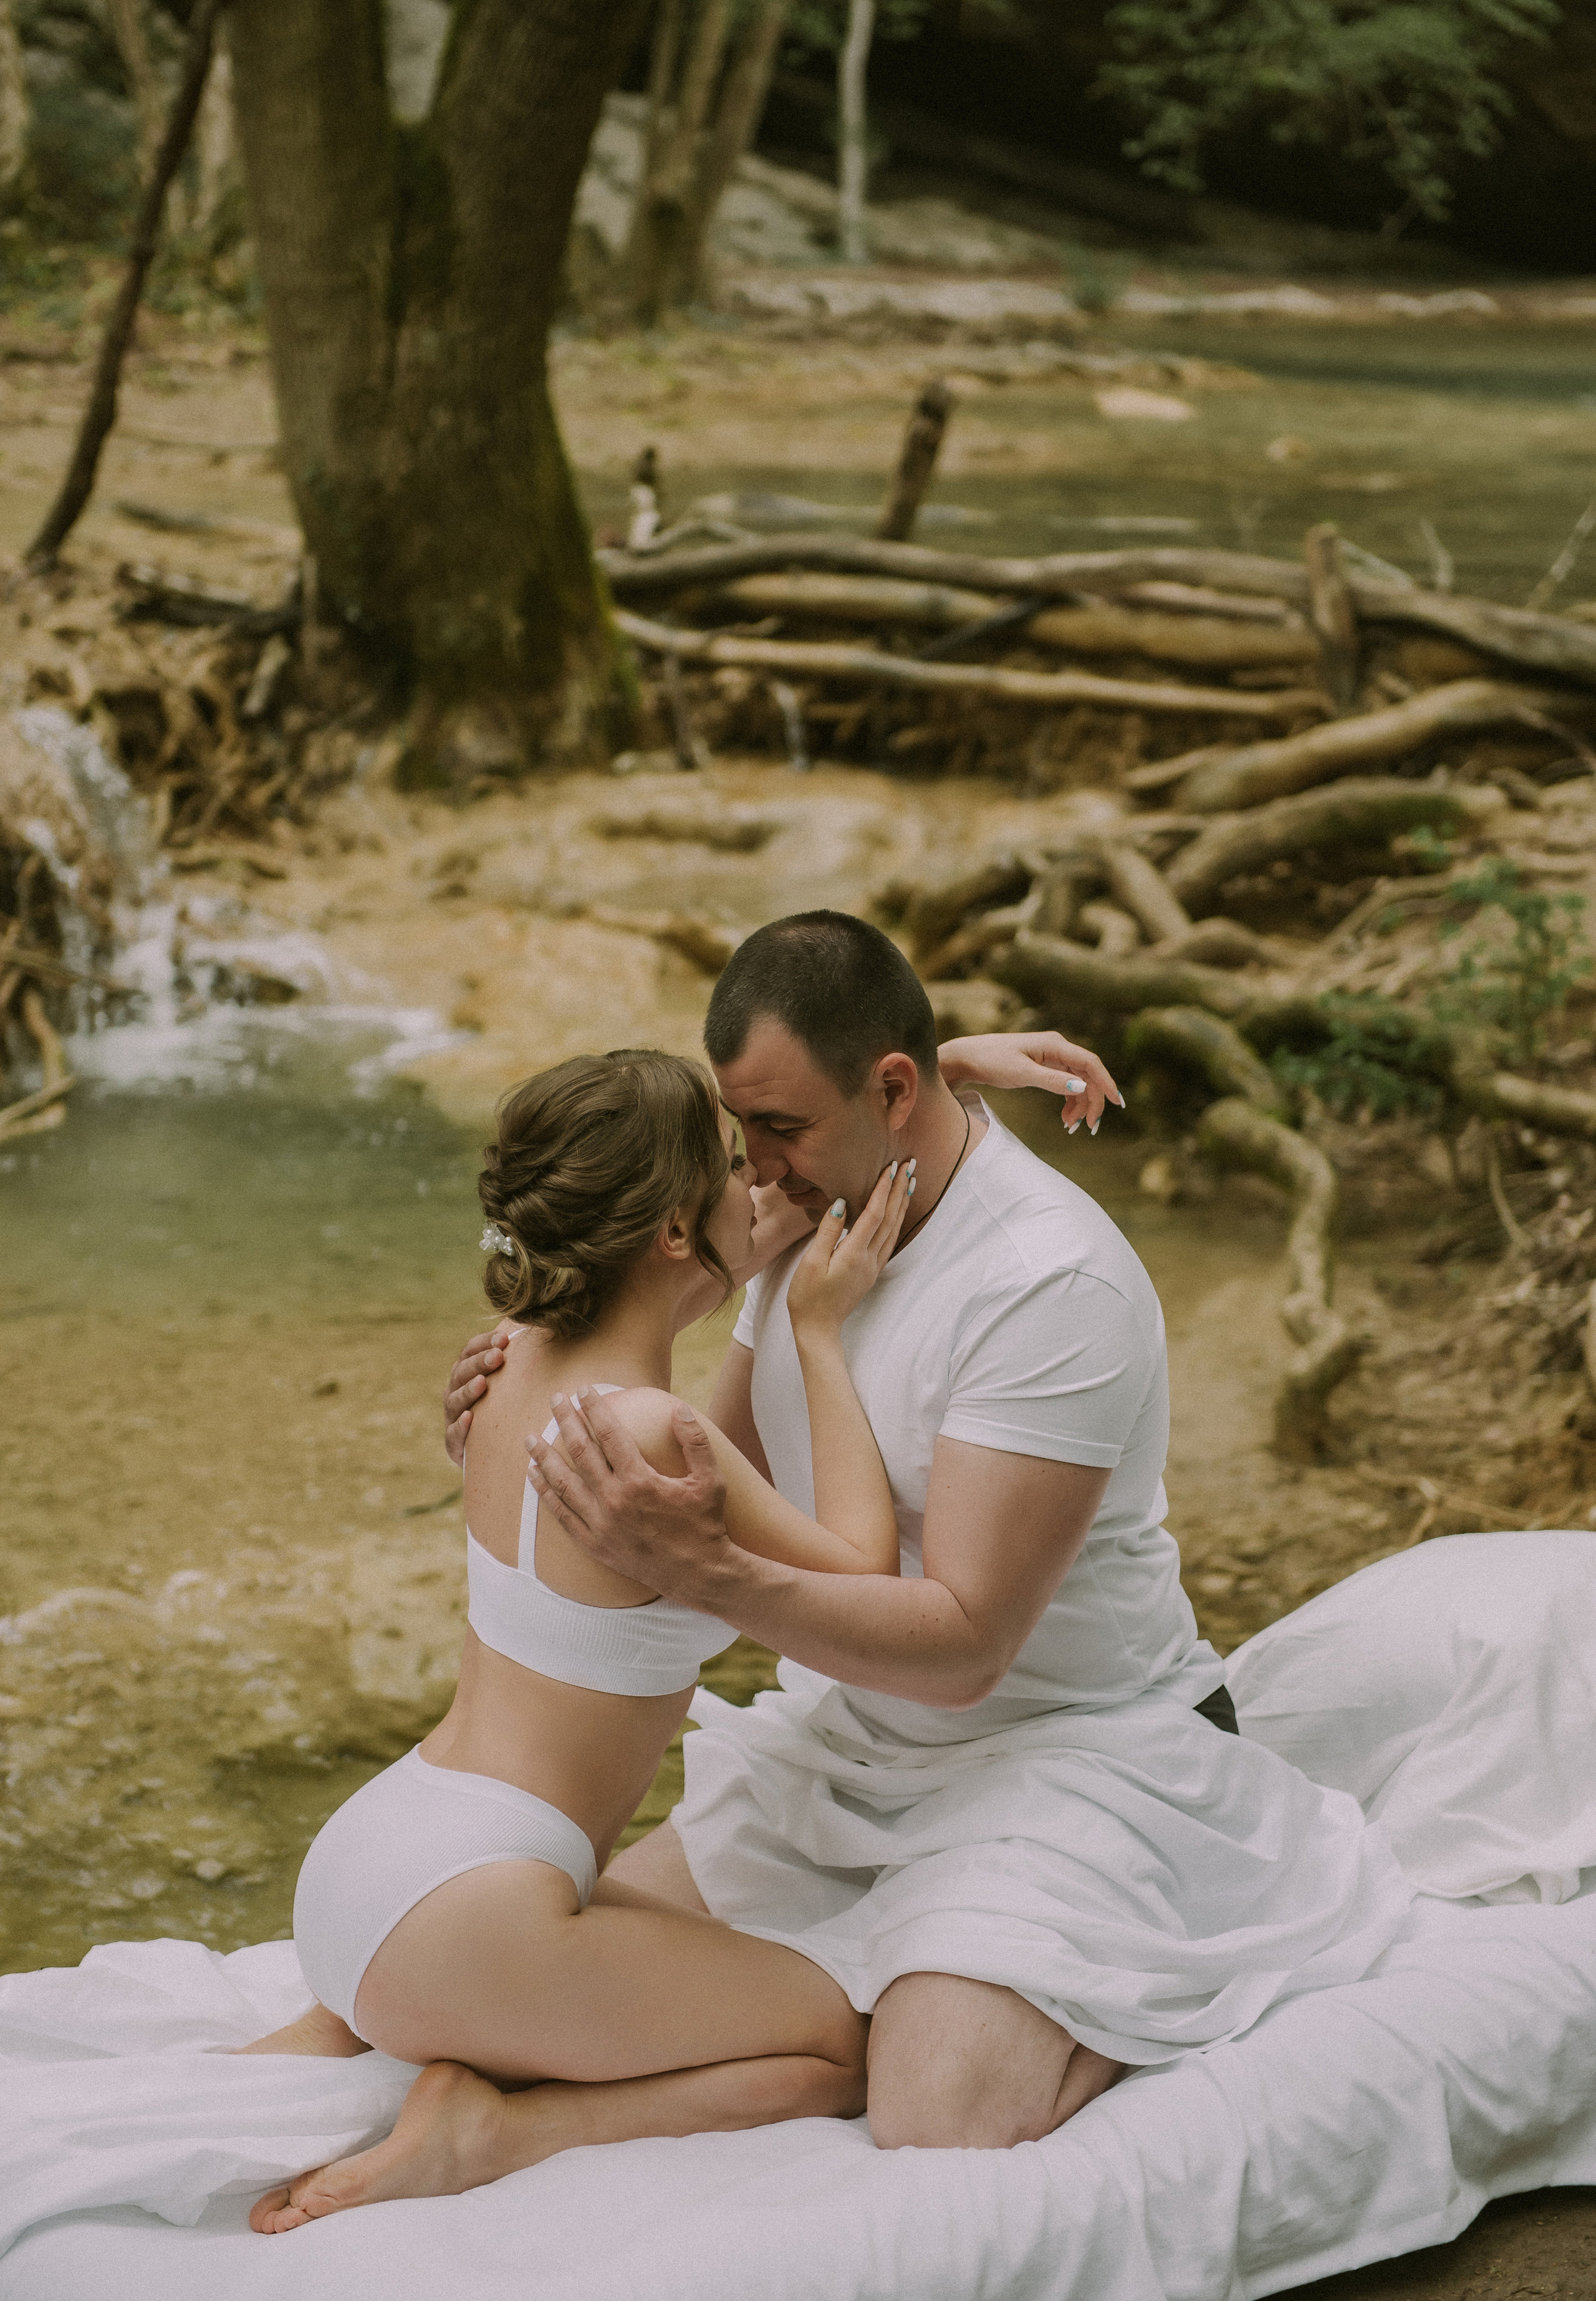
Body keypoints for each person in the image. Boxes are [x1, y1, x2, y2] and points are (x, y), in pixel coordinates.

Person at [435, 912, 1414, 2176]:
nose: (750, 1170)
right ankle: (875, 1971)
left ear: (893, 1088)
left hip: (1069, 1753)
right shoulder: (801, 1221)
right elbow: (715, 1461)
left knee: (936, 2105)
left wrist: (708, 1574)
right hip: (852, 1752)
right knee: (531, 1980)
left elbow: (962, 1648)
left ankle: (1139, 1948)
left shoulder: (1046, 1284)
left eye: (776, 1130)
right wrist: (530, 1415)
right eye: (739, 1132)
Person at [242, 1047, 920, 2231]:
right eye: (727, 1172)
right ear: (668, 1231)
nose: (753, 1183)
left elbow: (683, 1331)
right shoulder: (653, 1434)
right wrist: (817, 1329)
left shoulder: (508, 1362)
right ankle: (496, 2126)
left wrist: (756, 1260)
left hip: (368, 1869)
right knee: (846, 2053)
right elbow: (862, 1581)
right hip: (465, 1917)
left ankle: (429, 2036)